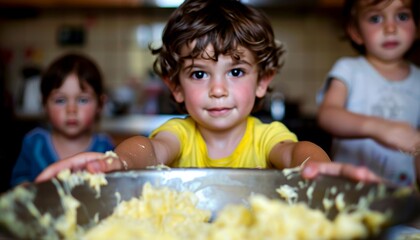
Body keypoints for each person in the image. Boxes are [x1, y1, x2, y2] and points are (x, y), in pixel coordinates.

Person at [36, 0, 381, 183]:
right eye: (199, 73)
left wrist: (316, 167)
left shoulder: (266, 138)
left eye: (235, 71)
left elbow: (295, 154)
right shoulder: (180, 135)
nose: (218, 89)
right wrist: (118, 161)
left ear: (263, 80)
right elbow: (149, 150)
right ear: (175, 86)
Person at [317, 0, 420, 186]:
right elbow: (327, 115)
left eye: (402, 16)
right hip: (349, 189)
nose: (390, 28)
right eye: (376, 18)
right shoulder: (348, 69)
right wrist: (378, 128)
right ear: (356, 32)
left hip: (402, 195)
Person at [11, 53, 115, 187]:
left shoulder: (105, 148)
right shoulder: (34, 144)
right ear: (44, 104)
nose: (71, 110)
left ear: (100, 104)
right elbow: (18, 185)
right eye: (60, 100)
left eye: (83, 100)